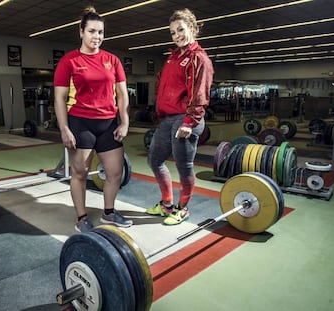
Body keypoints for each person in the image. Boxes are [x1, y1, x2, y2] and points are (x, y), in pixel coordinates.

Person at [53, 6, 132, 232]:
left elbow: (122, 94)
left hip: (109, 124)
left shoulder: (112, 60)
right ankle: (82, 217)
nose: (96, 37)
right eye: (92, 31)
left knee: (115, 173)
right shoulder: (69, 61)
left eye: (100, 32)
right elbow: (59, 98)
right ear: (81, 32)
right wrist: (64, 129)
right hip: (80, 122)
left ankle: (109, 213)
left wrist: (124, 121)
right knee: (80, 173)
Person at [146, 8, 214, 225]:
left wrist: (189, 122)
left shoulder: (198, 58)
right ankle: (166, 204)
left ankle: (182, 208)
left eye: (181, 30)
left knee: (183, 166)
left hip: (186, 118)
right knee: (154, 160)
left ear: (192, 28)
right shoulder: (173, 58)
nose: (177, 36)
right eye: (173, 32)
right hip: (167, 119)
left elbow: (199, 92)